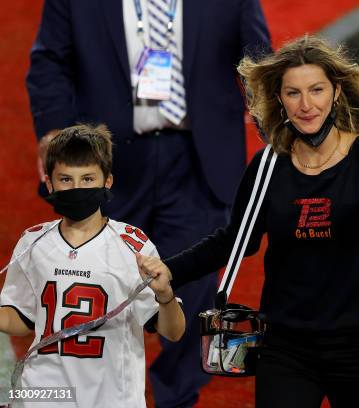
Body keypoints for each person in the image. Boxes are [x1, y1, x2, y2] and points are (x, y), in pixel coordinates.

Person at [138, 35, 359, 407]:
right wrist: (168, 272)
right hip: (286, 348)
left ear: (336, 92)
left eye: (316, 90)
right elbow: (236, 240)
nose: (306, 105)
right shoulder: (269, 165)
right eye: (293, 93)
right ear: (279, 99)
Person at [25, 1, 271, 406]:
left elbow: (258, 58)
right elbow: (50, 59)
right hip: (107, 160)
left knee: (191, 293)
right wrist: (53, 128)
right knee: (96, 284)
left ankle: (177, 398)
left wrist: (279, 131)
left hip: (199, 159)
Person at [0, 124, 185, 408]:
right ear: (49, 183)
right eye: (66, 179)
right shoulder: (33, 242)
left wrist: (165, 295)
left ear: (107, 181)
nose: (77, 188)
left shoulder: (132, 246)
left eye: (87, 179)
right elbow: (21, 320)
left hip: (112, 399)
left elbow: (173, 331)